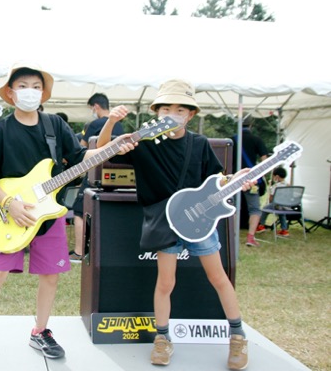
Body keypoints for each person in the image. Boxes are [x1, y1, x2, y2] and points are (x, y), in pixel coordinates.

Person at [0, 62, 132, 371]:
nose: (30, 91)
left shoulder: (55, 125)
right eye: (23, 86)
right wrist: (9, 203)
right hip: (9, 212)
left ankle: (40, 331)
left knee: (50, 275)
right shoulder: (2, 129)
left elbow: (80, 158)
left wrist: (113, 148)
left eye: (36, 87)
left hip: (48, 213)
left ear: (43, 93)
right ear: (11, 93)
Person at [97, 79, 253, 370]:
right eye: (166, 108)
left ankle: (237, 336)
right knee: (165, 282)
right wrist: (112, 122)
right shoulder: (142, 142)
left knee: (219, 278)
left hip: (199, 221)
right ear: (156, 112)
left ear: (190, 115)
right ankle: (162, 338)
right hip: (164, 221)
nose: (172, 114)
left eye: (180, 109)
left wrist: (237, 181)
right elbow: (101, 150)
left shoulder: (200, 144)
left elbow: (216, 181)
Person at [69, 93, 124, 263]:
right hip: (114, 175)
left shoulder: (94, 124)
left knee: (79, 211)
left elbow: (82, 148)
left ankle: (79, 252)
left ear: (96, 106)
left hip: (93, 172)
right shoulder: (119, 126)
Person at [233, 115, 269, 247]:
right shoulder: (256, 139)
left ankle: (231, 236)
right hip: (251, 179)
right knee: (255, 209)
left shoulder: (232, 140)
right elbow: (265, 161)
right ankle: (250, 238)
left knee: (232, 208)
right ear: (251, 125)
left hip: (234, 179)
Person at [259, 166, 290, 236]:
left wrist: (270, 203)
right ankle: (284, 230)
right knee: (282, 214)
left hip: (276, 205)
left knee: (264, 209)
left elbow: (271, 198)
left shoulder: (275, 186)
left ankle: (261, 225)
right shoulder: (288, 185)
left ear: (277, 176)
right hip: (285, 206)